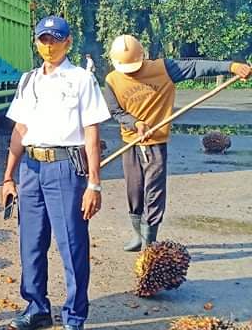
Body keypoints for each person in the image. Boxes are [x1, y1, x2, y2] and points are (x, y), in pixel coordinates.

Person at [1, 15, 110, 330]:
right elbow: (20, 130)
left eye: (55, 39)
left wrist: (94, 184)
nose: (49, 46)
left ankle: (74, 317)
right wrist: (8, 176)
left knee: (71, 243)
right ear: (36, 42)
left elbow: (92, 132)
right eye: (43, 39)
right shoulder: (28, 80)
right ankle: (36, 307)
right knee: (31, 242)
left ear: (68, 42)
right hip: (32, 168)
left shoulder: (81, 80)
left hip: (65, 169)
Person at [104, 35, 252, 251]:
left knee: (154, 191)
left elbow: (196, 66)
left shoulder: (163, 68)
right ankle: (136, 234)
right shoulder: (112, 80)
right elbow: (115, 111)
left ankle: (150, 241)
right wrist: (136, 124)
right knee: (134, 190)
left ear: (143, 57)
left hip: (156, 142)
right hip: (132, 142)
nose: (131, 73)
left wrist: (232, 66)